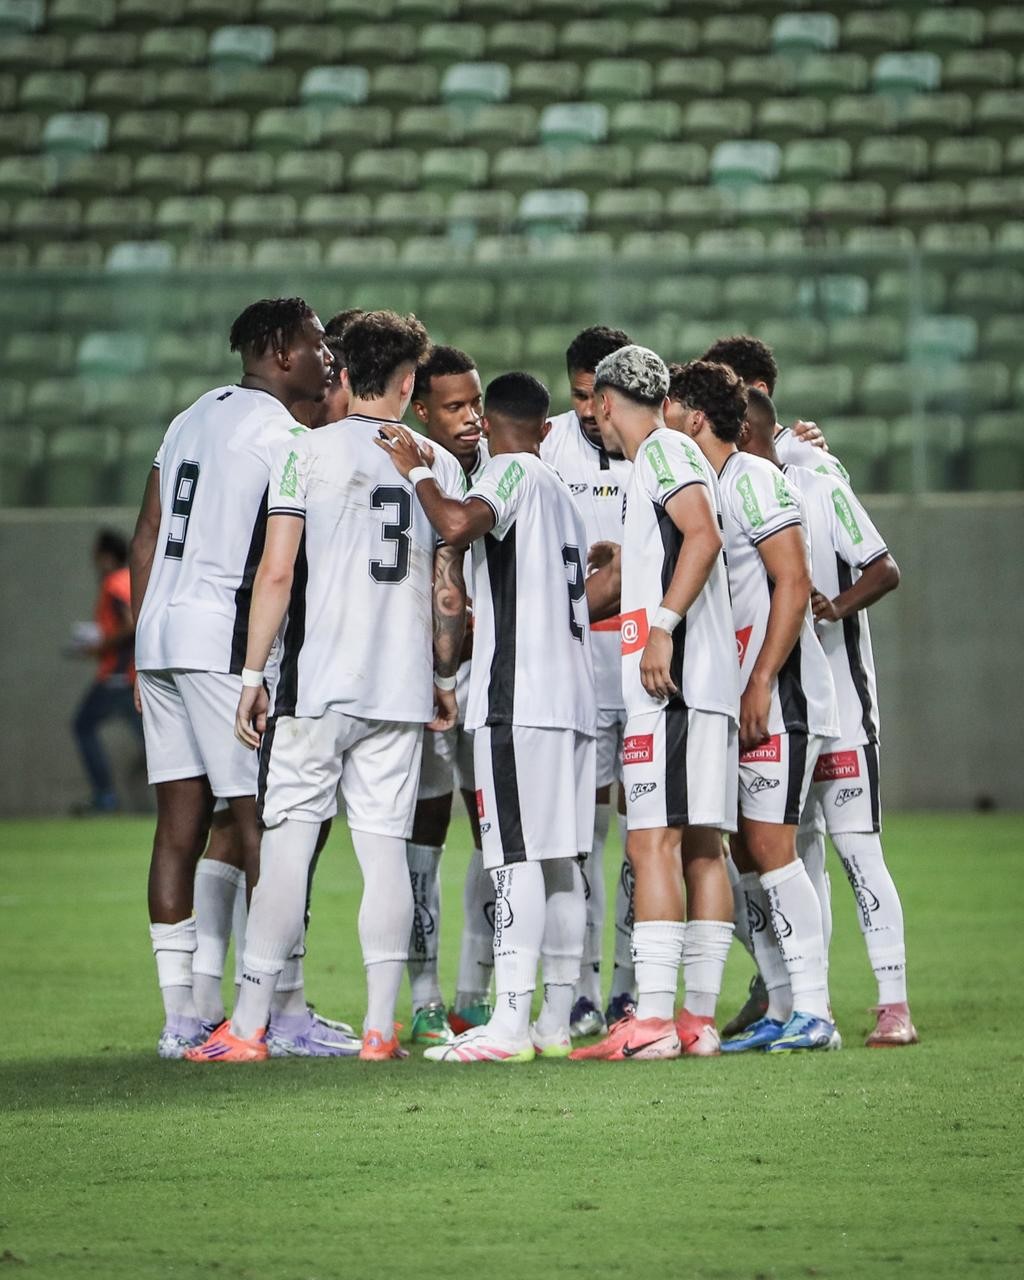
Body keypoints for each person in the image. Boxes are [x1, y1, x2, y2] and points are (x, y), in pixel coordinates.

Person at [187, 309, 468, 1065]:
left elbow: (277, 573)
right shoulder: (439, 465)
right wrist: (444, 676)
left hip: (316, 687)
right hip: (399, 689)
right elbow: (448, 591)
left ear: (342, 372)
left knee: (287, 846)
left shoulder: (303, 453)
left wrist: (252, 674)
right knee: (384, 852)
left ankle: (249, 1026)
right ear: (408, 384)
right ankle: (379, 1029)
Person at [376, 372, 620, 1063]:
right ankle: (554, 1020)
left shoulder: (511, 471)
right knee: (563, 863)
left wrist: (418, 472)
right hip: (573, 702)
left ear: (488, 421)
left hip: (520, 699)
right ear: (546, 427)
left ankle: (509, 1026)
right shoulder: (562, 495)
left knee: (511, 858)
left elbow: (457, 524)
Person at [129, 296, 343, 1060]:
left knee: (178, 829)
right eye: (317, 344)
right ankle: (280, 1009)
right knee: (265, 824)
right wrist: (254, 667)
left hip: (160, 635)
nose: (328, 357)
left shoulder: (188, 417)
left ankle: (181, 1018)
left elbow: (146, 535)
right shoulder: (286, 437)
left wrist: (141, 646)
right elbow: (276, 565)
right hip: (221, 640)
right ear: (281, 351)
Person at [571, 346, 740, 1061]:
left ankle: (651, 1023)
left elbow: (703, 534)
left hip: (671, 685)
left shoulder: (661, 452)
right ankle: (695, 1021)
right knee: (701, 846)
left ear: (607, 402)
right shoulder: (669, 457)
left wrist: (662, 629)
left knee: (651, 843)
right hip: (703, 684)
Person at [668, 360, 842, 1054]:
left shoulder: (753, 478)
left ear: (695, 416)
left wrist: (763, 679)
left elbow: (793, 581)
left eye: (672, 408)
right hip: (734, 696)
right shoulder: (704, 485)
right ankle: (780, 1003)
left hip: (780, 693)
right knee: (743, 850)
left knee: (771, 846)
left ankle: (816, 1011)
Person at [741, 387, 916, 1047]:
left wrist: (835, 607)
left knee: (858, 851)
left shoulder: (819, 483)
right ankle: (804, 1006)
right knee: (794, 860)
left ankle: (894, 1005)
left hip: (840, 706)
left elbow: (884, 567)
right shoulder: (734, 493)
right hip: (785, 713)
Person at [542, 325, 636, 1036]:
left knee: (646, 838)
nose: (588, 411)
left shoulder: (659, 447)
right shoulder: (546, 443)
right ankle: (580, 989)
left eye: (597, 397)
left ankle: (631, 987)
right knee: (583, 838)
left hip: (647, 673)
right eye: (578, 396)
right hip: (579, 675)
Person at [404, 345, 495, 1046]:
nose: (471, 418)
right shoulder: (412, 470)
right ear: (422, 410)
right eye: (454, 407)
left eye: (476, 403)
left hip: (489, 676)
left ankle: (473, 994)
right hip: (428, 677)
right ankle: (426, 996)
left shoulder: (498, 463)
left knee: (493, 831)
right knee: (426, 833)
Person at [701, 334, 847, 480]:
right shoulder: (717, 461)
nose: (714, 405)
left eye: (724, 392)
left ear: (759, 392)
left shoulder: (808, 457)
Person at [69, 529, 144, 815]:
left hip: (118, 676)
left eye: (97, 556)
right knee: (151, 739)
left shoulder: (114, 583)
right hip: (133, 675)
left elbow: (130, 623)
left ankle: (105, 796)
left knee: (82, 725)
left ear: (106, 556)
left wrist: (99, 645)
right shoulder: (131, 578)